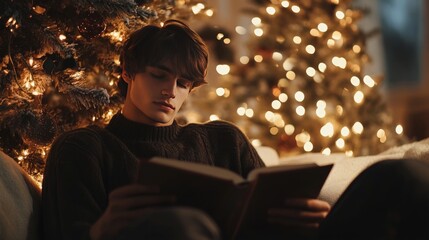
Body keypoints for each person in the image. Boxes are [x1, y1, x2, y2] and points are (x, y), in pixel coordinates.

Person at [42, 19, 330, 240]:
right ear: (127, 72)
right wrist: (101, 231)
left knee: (375, 180)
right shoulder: (83, 148)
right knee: (181, 223)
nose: (170, 91)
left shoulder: (224, 141)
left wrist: (313, 217)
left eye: (183, 84)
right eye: (159, 75)